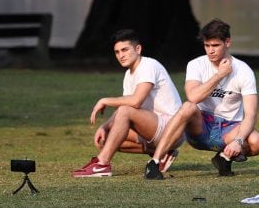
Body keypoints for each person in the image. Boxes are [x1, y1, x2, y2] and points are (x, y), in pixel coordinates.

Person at [144, 18, 259, 180]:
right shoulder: (196, 65)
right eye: (207, 46)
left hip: (229, 129)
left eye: (215, 45)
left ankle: (224, 159)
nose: (210, 51)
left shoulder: (243, 70)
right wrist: (219, 75)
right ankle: (154, 162)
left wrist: (238, 140)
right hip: (201, 128)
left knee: (257, 142)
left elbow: (250, 114)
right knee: (188, 106)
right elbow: (193, 97)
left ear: (227, 43)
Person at [71, 29, 184, 177]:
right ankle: (163, 154)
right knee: (105, 139)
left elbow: (135, 102)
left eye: (124, 50)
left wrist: (105, 100)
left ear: (138, 49)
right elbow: (126, 108)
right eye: (117, 52)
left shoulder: (148, 65)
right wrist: (105, 126)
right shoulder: (128, 74)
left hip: (172, 128)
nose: (121, 55)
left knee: (125, 111)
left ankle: (102, 165)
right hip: (153, 127)